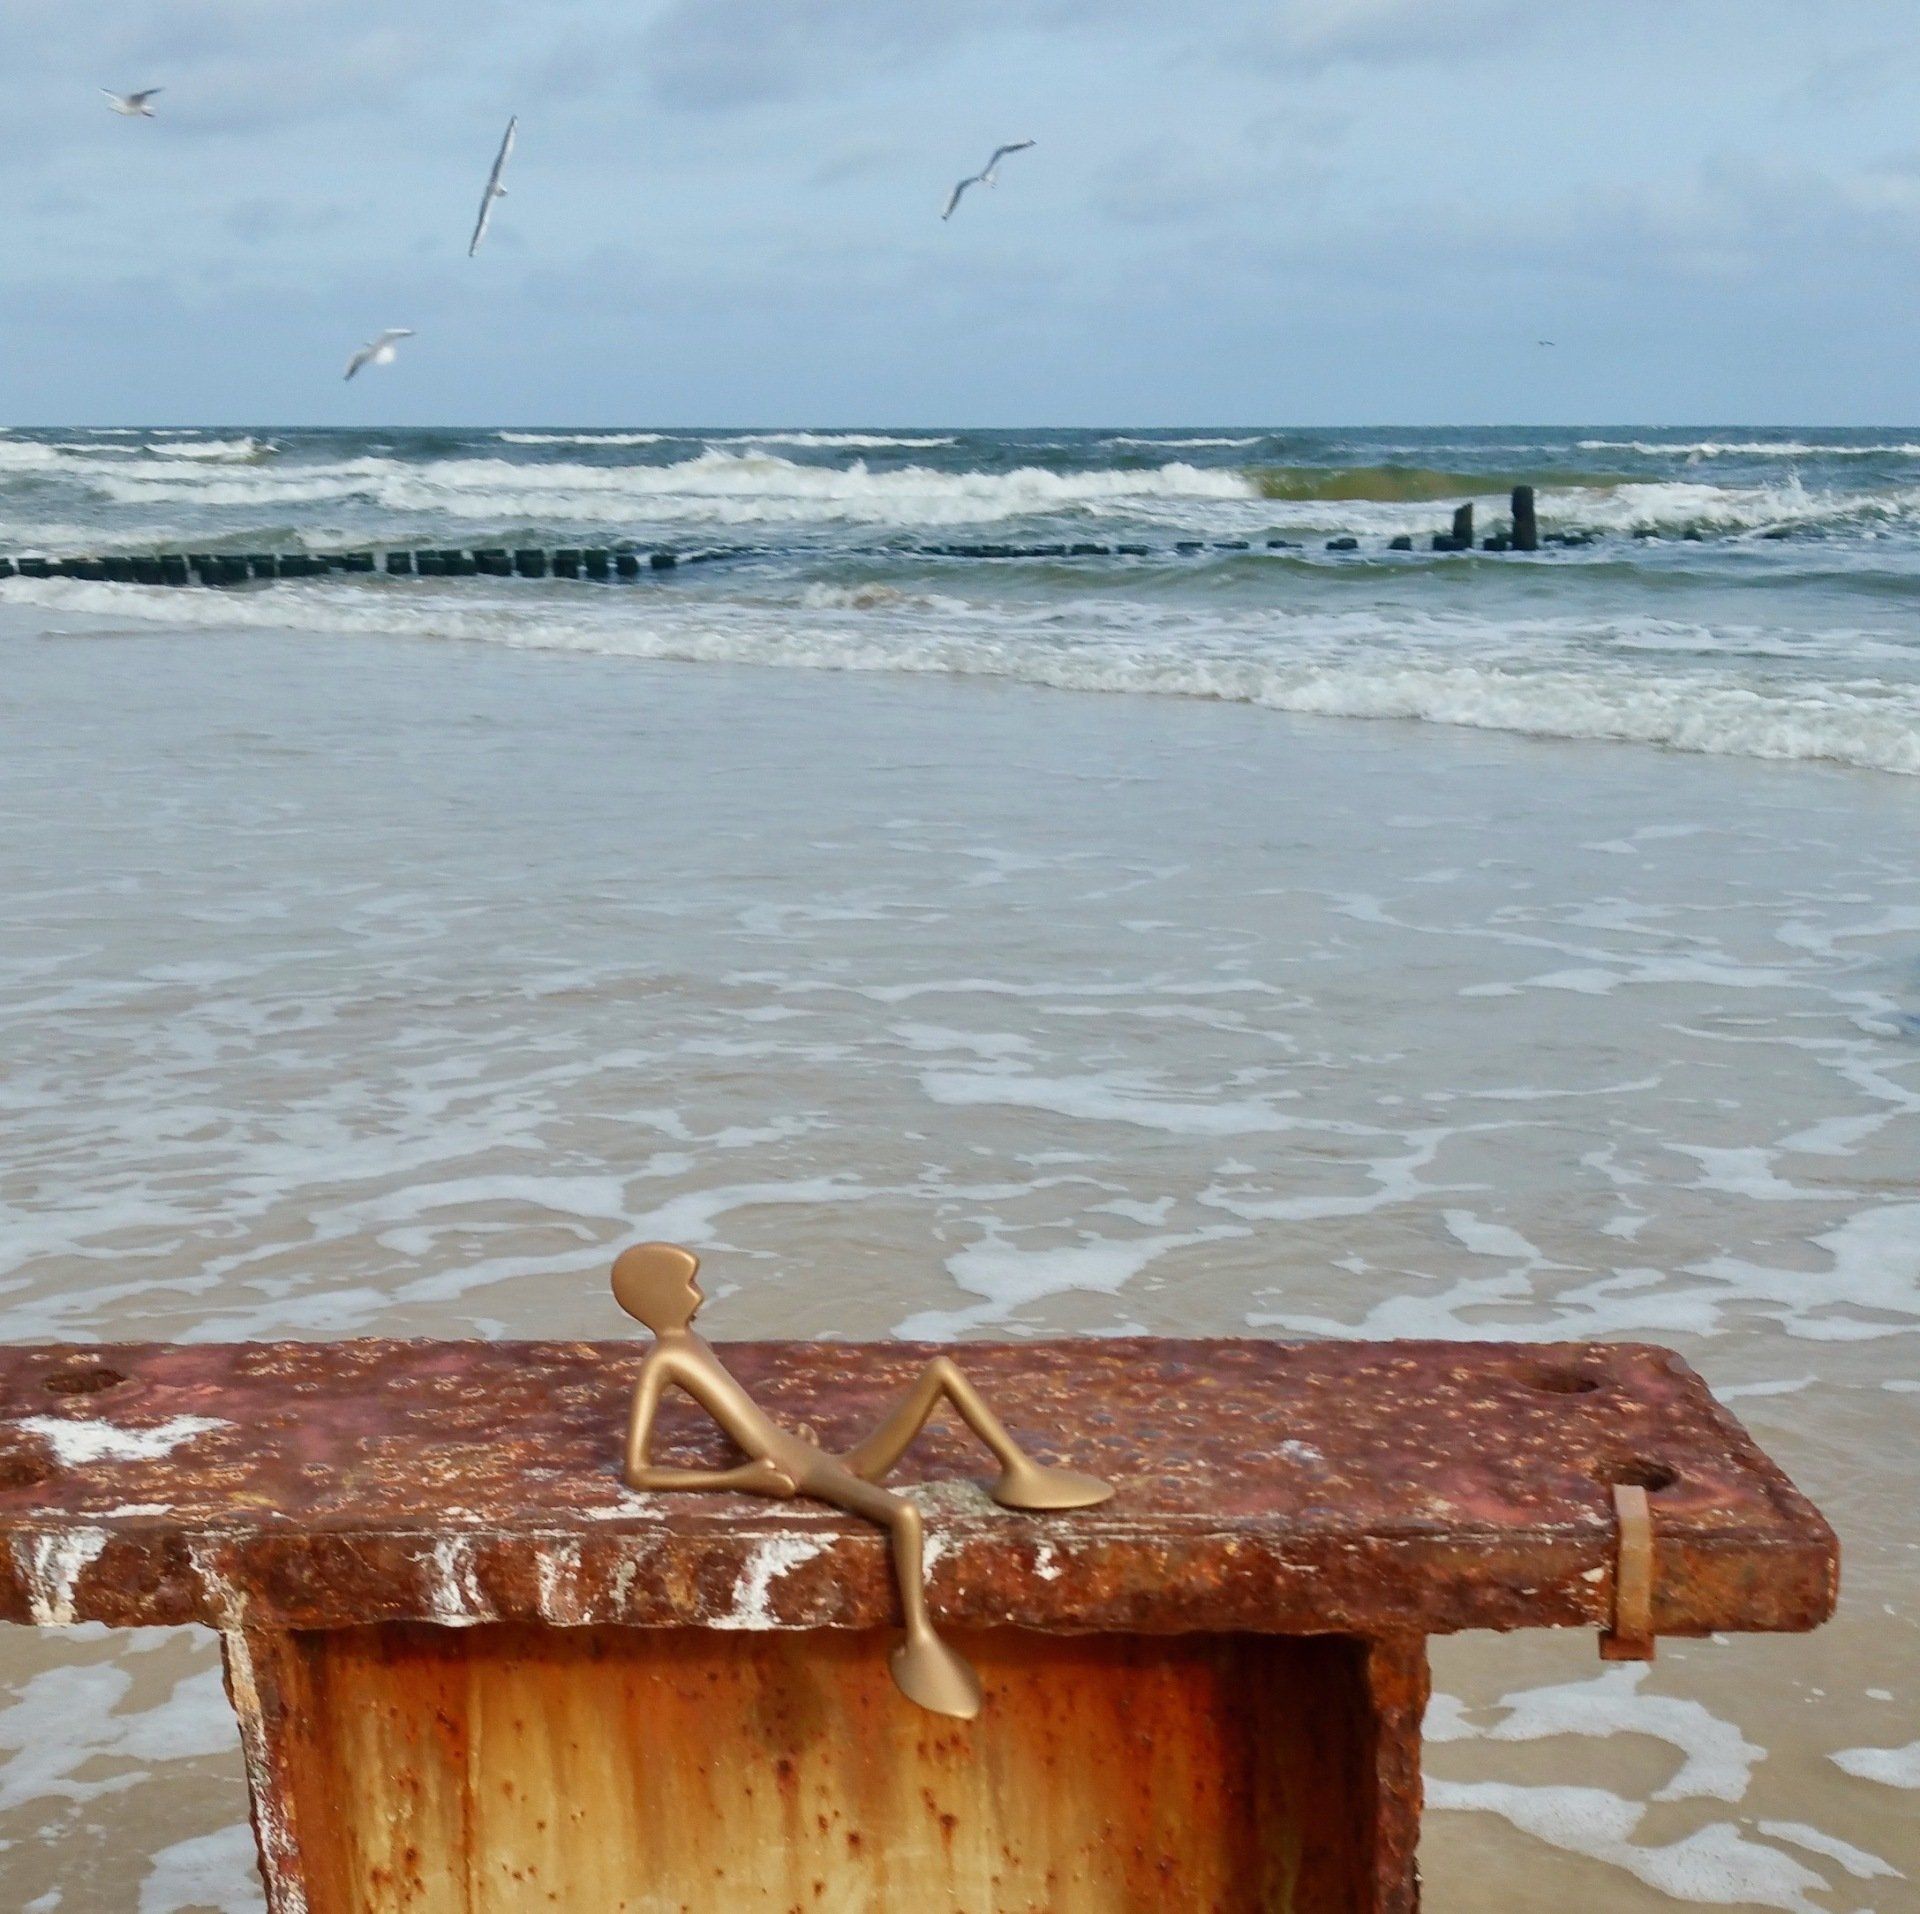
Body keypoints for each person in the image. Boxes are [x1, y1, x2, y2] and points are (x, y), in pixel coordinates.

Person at [612, 1241, 1113, 1719]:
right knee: (904, 1515)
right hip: (803, 1471)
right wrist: (739, 1477)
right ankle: (920, 1637)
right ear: (654, 1297)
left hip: (814, 1455)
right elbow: (639, 1472)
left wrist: (772, 1440)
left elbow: (735, 1416)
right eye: (689, 1285)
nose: (700, 1296)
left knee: (940, 1372)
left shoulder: (693, 1343)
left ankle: (1022, 1472)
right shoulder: (664, 1359)